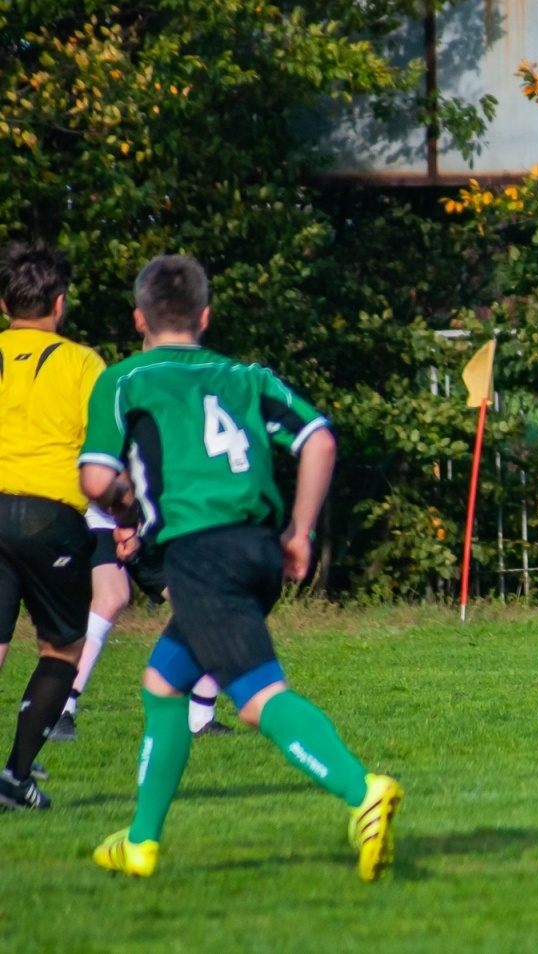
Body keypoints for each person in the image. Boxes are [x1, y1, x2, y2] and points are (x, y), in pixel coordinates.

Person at [79, 254, 400, 880]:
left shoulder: (126, 379)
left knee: (255, 699)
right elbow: (320, 440)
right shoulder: (248, 376)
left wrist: (126, 508)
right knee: (163, 682)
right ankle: (140, 841)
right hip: (256, 550)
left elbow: (95, 477)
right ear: (205, 315)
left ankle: (363, 791)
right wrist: (300, 533)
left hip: (202, 556)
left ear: (138, 318)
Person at [0, 241, 106, 810]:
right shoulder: (83, 363)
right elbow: (107, 449)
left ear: (2, 303)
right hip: (49, 514)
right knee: (62, 648)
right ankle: (15, 779)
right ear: (60, 305)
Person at [50, 507, 232, 743]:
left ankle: (201, 719)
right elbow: (100, 480)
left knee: (213, 609)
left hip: (157, 529)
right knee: (111, 599)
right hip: (108, 523)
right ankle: (62, 708)